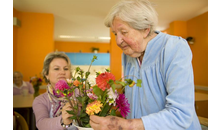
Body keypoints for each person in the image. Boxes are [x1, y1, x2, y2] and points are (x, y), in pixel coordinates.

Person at [89, 0, 202, 130]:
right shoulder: (128, 55)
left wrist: (126, 125)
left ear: (145, 29)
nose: (118, 41)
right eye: (115, 34)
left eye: (124, 32)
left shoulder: (174, 47)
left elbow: (181, 114)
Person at [32, 51, 77, 130]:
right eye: (56, 69)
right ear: (46, 74)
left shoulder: (80, 94)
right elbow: (41, 124)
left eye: (66, 69)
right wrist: (63, 121)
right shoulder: (40, 100)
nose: (62, 72)